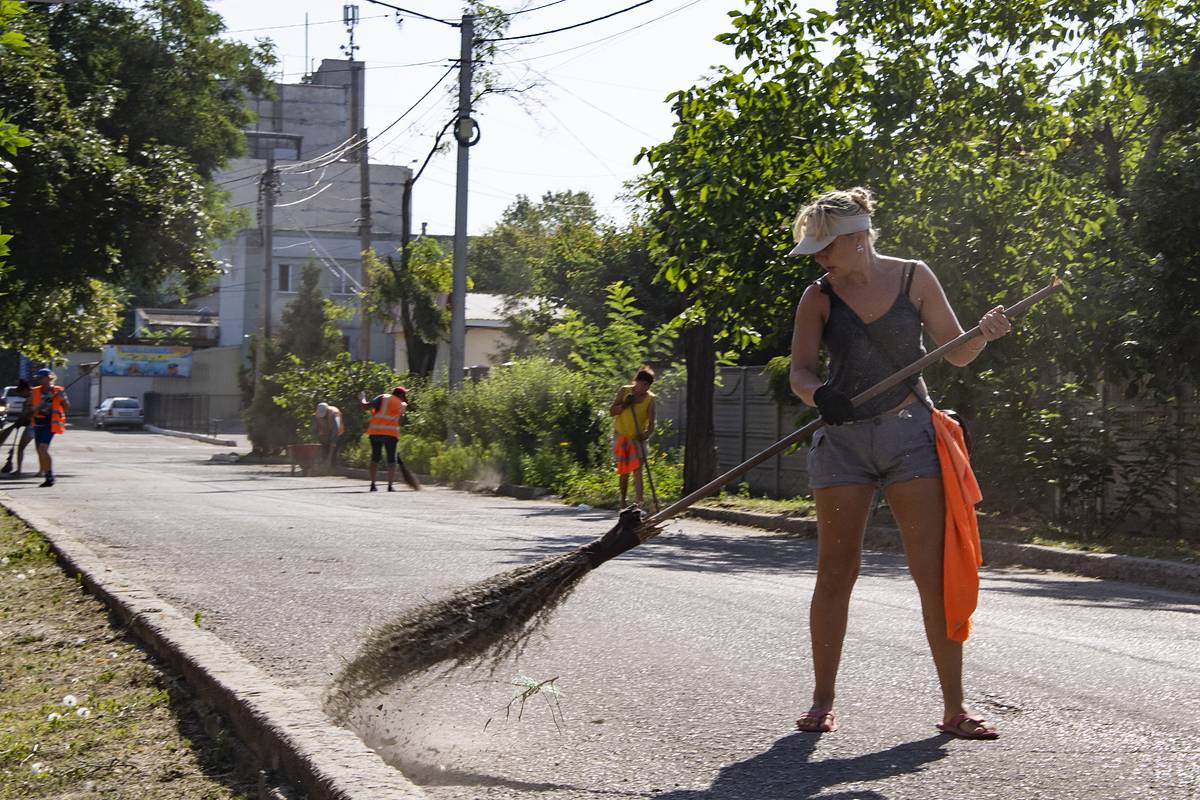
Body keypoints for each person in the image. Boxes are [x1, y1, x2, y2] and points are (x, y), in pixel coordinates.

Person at [787, 187, 1011, 739]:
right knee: (836, 571)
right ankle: (822, 700)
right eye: (814, 250)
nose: (819, 258)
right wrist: (821, 397)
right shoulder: (818, 297)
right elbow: (801, 372)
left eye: (826, 247)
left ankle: (954, 709)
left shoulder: (914, 277)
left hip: (911, 435)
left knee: (930, 574)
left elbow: (955, 350)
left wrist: (982, 336)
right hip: (842, 441)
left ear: (858, 237)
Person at [609, 368, 656, 509]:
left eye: (648, 385)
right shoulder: (625, 391)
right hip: (621, 435)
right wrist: (625, 404)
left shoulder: (650, 399)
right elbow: (612, 412)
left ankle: (639, 503)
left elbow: (652, 423)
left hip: (637, 438)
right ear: (636, 381)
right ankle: (623, 501)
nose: (645, 388)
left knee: (637, 470)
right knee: (624, 471)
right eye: (643, 384)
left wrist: (646, 435)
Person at [360, 386, 407, 492]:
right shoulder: (401, 404)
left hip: (375, 432)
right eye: (404, 395)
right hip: (391, 434)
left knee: (375, 458)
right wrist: (403, 411)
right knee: (392, 460)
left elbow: (365, 406)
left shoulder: (382, 397)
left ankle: (372, 485)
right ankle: (390, 486)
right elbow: (401, 422)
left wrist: (362, 398)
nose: (405, 397)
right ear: (400, 394)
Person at [29, 368, 70, 488]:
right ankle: (47, 475)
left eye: (41, 378)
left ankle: (50, 477)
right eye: (39, 378)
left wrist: (62, 398)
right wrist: (35, 407)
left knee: (43, 449)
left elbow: (67, 408)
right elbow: (29, 407)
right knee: (40, 451)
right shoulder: (35, 391)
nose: (39, 380)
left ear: (48, 378)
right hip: (37, 424)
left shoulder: (58, 391)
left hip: (50, 425)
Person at [313, 402, 344, 472]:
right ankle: (325, 468)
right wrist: (316, 435)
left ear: (327, 410)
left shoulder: (335, 413)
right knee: (325, 450)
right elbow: (315, 427)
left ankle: (333, 469)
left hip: (337, 433)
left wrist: (333, 441)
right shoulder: (318, 413)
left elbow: (336, 428)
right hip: (325, 434)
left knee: (334, 452)